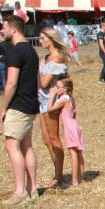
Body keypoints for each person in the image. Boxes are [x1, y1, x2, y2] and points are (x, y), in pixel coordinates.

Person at [0, 16, 39, 205]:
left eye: (4, 28)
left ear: (13, 29)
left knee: (12, 145)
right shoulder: (32, 51)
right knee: (26, 146)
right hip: (31, 104)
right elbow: (38, 81)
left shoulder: (15, 53)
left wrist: (4, 108)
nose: (2, 31)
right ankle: (33, 189)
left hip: (18, 105)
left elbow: (11, 82)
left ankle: (20, 191)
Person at [37, 28, 69, 189]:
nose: (40, 41)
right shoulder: (46, 58)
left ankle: (58, 176)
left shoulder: (56, 59)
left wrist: (35, 69)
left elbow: (43, 83)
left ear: (51, 39)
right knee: (46, 139)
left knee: (54, 138)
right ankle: (57, 172)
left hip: (51, 101)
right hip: (41, 100)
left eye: (43, 38)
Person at [49, 78, 85, 186]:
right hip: (74, 125)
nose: (56, 89)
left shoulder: (64, 99)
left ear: (65, 89)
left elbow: (50, 108)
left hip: (69, 127)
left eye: (58, 87)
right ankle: (80, 177)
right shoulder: (70, 98)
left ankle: (74, 180)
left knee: (73, 153)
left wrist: (52, 95)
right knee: (79, 152)